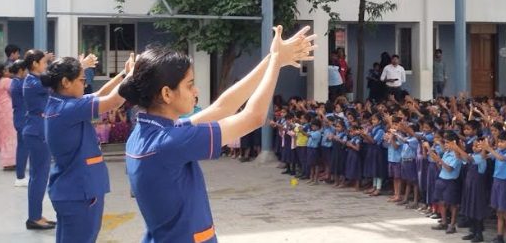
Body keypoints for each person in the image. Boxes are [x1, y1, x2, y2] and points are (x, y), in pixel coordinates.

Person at [123, 26, 315, 242]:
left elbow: (222, 108)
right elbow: (253, 117)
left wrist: (272, 59)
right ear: (167, 93)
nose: (196, 92)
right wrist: (276, 63)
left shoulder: (147, 132)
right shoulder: (169, 142)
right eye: (190, 85)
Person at [42, 53, 128, 243]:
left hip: (70, 189)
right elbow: (113, 101)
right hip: (80, 191)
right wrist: (134, 75)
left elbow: (101, 94)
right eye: (81, 80)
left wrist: (124, 74)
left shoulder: (59, 103)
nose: (85, 84)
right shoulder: (69, 108)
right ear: (65, 82)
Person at [22, 49, 56, 230]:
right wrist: (79, 66)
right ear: (35, 64)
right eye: (44, 62)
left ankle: (36, 215)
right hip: (37, 132)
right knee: (39, 176)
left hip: (36, 130)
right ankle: (34, 217)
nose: (46, 66)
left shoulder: (33, 80)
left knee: (39, 176)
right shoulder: (34, 82)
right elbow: (56, 82)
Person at [482, 131, 506, 243]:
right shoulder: (498, 150)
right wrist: (484, 147)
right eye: (499, 141)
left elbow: (501, 158)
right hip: (496, 181)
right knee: (499, 212)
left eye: (502, 142)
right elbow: (485, 156)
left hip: (505, 182)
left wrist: (490, 148)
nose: (500, 144)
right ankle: (499, 237)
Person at [430, 131, 463, 234]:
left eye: (448, 143)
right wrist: (437, 161)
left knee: (453, 204)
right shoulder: (446, 152)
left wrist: (439, 160)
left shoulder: (457, 155)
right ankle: (444, 222)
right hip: (442, 179)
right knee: (441, 202)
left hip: (451, 181)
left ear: (454, 143)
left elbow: (449, 169)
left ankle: (452, 225)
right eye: (445, 142)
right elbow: (441, 168)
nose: (445, 145)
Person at [9, 59, 30, 187]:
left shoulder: (16, 82)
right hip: (22, 118)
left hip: (20, 117)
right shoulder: (20, 83)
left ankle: (21, 175)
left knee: (23, 147)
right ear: (21, 70)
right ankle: (20, 176)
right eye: (26, 69)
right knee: (23, 148)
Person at [0, 65, 16, 170]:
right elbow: (15, 92)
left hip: (1, 109)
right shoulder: (7, 80)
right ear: (4, 71)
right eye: (8, 70)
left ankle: (7, 161)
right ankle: (11, 161)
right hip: (8, 110)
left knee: (5, 136)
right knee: (11, 135)